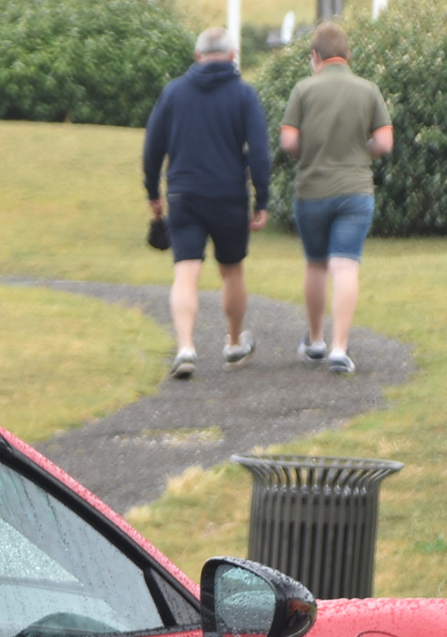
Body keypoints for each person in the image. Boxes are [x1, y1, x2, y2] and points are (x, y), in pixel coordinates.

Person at [141, 27, 271, 381]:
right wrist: (263, 197)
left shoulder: (174, 93)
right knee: (232, 270)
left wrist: (153, 192)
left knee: (186, 270)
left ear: (198, 56)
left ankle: (185, 346)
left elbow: (153, 147)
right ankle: (232, 342)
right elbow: (259, 150)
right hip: (229, 194)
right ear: (232, 56)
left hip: (184, 194)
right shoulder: (244, 94)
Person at [279, 21, 393, 376]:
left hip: (313, 190)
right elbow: (385, 143)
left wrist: (311, 152)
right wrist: (362, 155)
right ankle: (340, 348)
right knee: (345, 266)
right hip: (355, 190)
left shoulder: (303, 90)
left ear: (316, 56)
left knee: (316, 264)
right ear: (347, 55)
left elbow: (288, 142)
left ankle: (315, 341)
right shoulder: (368, 90)